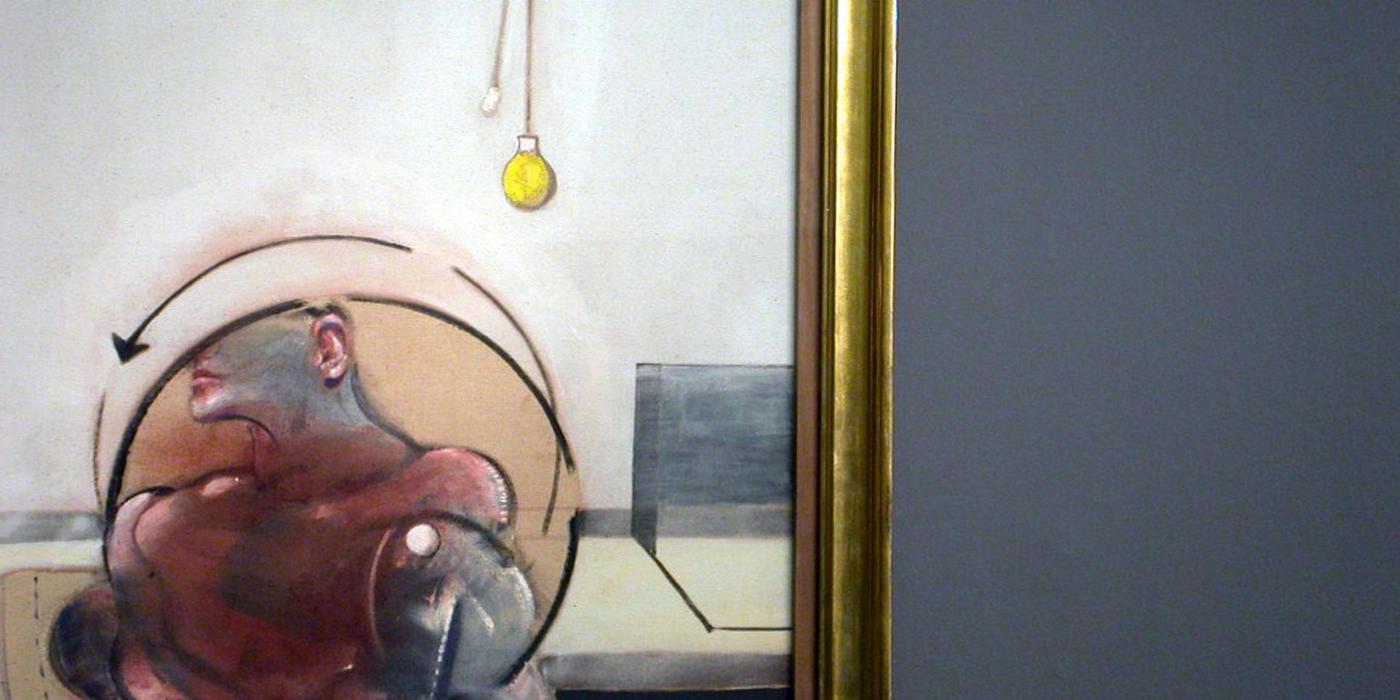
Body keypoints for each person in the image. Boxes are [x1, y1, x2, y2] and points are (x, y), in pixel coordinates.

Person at [51, 303, 551, 699]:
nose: (197, 347)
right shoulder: (158, 525)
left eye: (231, 316)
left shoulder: (451, 491)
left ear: (328, 346)